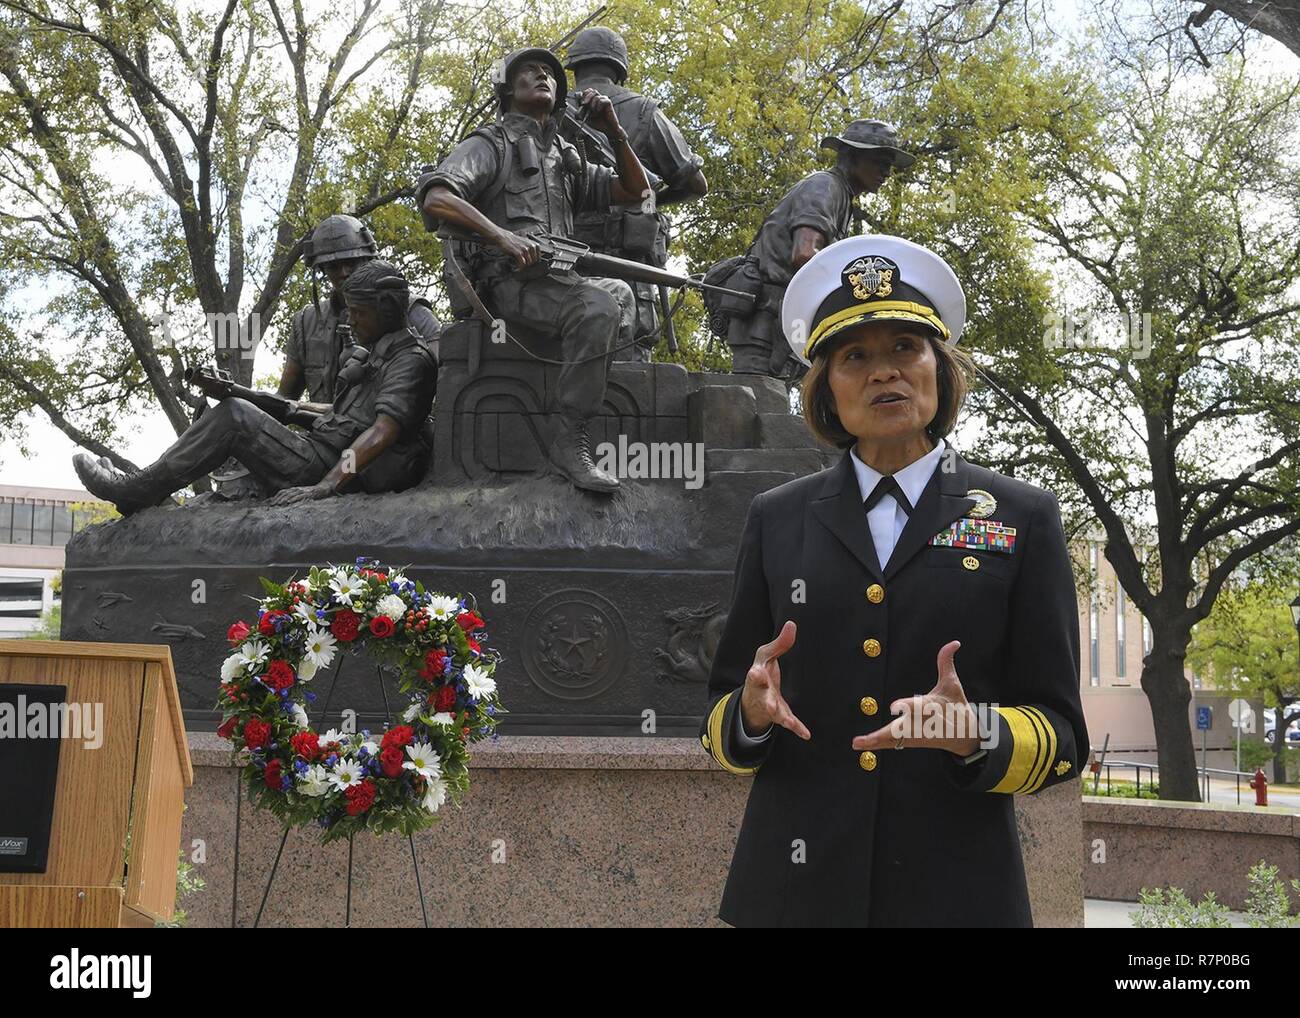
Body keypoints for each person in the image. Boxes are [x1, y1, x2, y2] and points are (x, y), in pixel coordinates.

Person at [700, 234, 1089, 927]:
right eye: (857, 357)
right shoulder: (775, 519)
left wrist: (974, 731)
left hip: (958, 896)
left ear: (940, 370)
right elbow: (721, 714)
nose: (886, 373)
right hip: (790, 896)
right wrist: (752, 714)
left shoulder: (1022, 516)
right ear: (826, 391)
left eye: (906, 349)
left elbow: (1063, 737)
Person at [416, 46, 651, 493]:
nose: (543, 75)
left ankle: (575, 402)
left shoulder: (564, 156)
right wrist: (502, 236)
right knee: (598, 304)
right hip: (506, 285)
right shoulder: (490, 143)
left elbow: (637, 195)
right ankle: (570, 441)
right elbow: (437, 198)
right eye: (530, 71)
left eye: (549, 72)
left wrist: (615, 131)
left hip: (560, 282)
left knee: (619, 294)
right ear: (507, 90)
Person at [72, 261, 437, 513]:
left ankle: (135, 490)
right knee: (235, 407)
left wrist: (325, 487)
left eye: (360, 313)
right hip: (322, 452)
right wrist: (239, 392)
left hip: (333, 469)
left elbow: (381, 433)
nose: (352, 321)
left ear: (387, 309)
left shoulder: (410, 360)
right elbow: (338, 415)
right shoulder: (377, 354)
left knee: (234, 418)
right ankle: (143, 487)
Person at [725, 120, 914, 382]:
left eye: (889, 165)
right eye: (881, 161)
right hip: (765, 325)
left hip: (784, 326)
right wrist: (859, 293)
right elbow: (804, 254)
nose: (887, 172)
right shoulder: (825, 187)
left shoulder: (842, 196)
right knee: (754, 407)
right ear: (852, 155)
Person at [564, 27, 707, 360]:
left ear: (574, 67)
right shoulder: (644, 112)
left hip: (562, 266)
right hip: (629, 270)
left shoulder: (547, 108)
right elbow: (696, 184)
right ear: (619, 68)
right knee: (631, 374)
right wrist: (647, 198)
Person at [280, 213, 441, 404]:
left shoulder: (409, 310)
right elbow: (284, 398)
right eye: (333, 266)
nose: (344, 272)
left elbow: (443, 374)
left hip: (389, 428)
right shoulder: (306, 322)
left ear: (368, 260)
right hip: (322, 429)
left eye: (351, 262)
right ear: (322, 269)